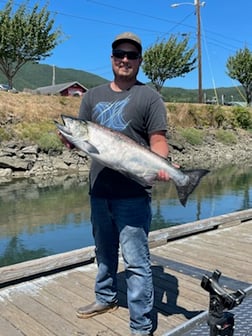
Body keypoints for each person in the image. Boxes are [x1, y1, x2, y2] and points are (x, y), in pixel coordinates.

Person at [64, 32, 170, 335]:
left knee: (136, 262)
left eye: (131, 55)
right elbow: (80, 141)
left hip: (134, 194)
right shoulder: (92, 95)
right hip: (99, 191)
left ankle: (141, 326)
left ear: (139, 61)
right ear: (112, 58)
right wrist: (68, 139)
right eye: (119, 54)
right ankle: (106, 298)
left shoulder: (149, 97)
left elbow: (158, 141)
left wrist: (161, 166)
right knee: (104, 251)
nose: (125, 59)